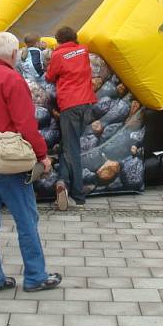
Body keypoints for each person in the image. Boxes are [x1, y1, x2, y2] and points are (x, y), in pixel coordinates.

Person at [0, 31, 61, 293]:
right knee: (26, 217)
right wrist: (42, 155)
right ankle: (35, 276)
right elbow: (26, 125)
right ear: (13, 54)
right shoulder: (13, 79)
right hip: (8, 158)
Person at [46, 26, 97, 211]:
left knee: (71, 150)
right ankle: (62, 183)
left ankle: (77, 194)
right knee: (70, 147)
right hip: (87, 104)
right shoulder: (83, 51)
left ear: (58, 40)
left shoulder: (58, 55)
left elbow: (50, 76)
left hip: (70, 105)